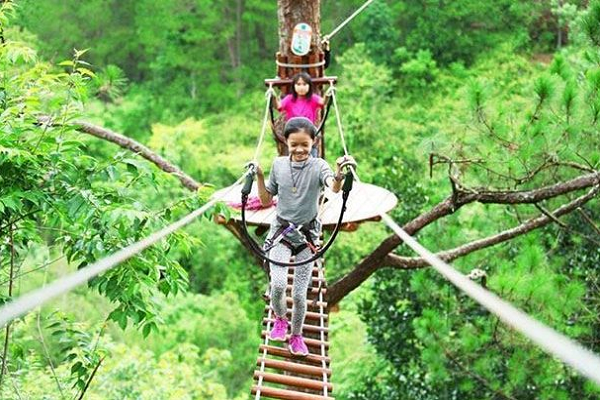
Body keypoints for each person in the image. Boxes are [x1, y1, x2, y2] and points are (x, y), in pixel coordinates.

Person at [254, 117, 355, 356]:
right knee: (277, 286)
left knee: (299, 295)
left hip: (307, 236)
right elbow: (267, 199)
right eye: (294, 144)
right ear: (286, 142)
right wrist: (259, 175)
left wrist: (339, 173)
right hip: (281, 232)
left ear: (313, 142)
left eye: (305, 145)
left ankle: (296, 336)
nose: (299, 149)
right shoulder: (278, 165)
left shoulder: (319, 166)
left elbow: (333, 187)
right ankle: (280, 319)